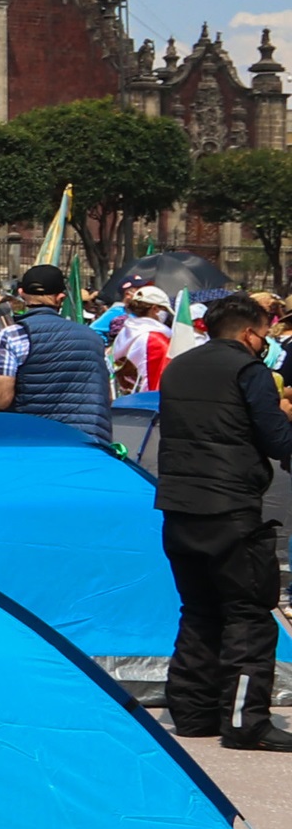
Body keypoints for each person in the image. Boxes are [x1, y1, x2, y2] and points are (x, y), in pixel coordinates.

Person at [155, 293, 292, 749]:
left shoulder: (178, 367)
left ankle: (192, 714)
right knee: (249, 616)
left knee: (198, 611)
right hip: (230, 508)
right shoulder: (247, 370)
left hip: (178, 506)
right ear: (250, 334)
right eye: (265, 336)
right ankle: (244, 722)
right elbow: (276, 438)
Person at [0, 263, 113, 442]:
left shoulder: (13, 335)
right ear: (60, 298)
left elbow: (1, 398)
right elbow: (107, 397)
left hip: (34, 444)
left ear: (22, 293)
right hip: (89, 445)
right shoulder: (94, 338)